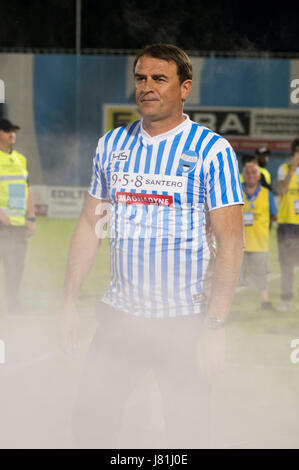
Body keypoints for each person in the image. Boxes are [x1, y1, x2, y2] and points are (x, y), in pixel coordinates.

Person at [61, 44, 244, 448]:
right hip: (120, 318)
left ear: (185, 88)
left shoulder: (212, 151)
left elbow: (231, 243)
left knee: (187, 435)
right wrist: (70, 302)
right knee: (90, 426)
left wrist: (214, 325)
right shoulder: (111, 145)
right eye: (141, 78)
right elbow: (91, 226)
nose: (147, 87)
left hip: (185, 323)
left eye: (159, 79)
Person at [0, 118, 36, 315]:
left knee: (16, 269)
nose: (12, 134)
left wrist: (31, 218)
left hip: (18, 225)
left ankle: (13, 306)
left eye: (13, 130)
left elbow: (27, 189)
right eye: (7, 130)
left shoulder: (21, 159)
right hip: (0, 225)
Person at [240, 161, 277, 310]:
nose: (250, 176)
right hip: (238, 243)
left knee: (261, 275)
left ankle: (265, 302)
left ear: (259, 176)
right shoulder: (236, 191)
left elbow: (274, 215)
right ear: (243, 175)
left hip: (259, 243)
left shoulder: (266, 194)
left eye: (253, 172)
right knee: (233, 276)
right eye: (247, 172)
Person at [276, 138, 299, 311]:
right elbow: (282, 191)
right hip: (286, 224)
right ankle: (286, 300)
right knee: (287, 265)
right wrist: (292, 169)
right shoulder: (283, 169)